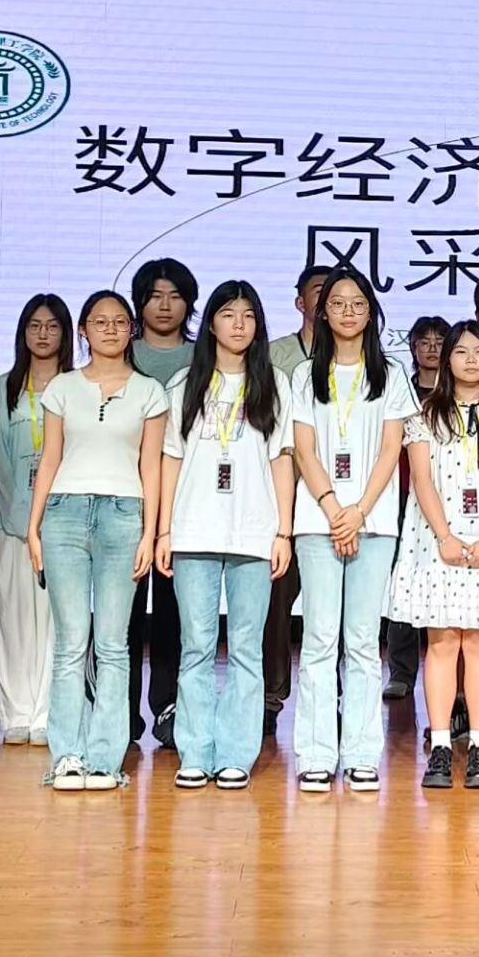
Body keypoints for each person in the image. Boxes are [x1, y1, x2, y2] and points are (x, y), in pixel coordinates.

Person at [27, 290, 168, 793]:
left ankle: (107, 759)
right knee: (71, 644)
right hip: (64, 513)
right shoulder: (63, 387)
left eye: (119, 321)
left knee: (112, 644)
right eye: (99, 321)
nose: (110, 329)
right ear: (83, 330)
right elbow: (50, 458)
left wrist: (150, 532)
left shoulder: (150, 391)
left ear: (132, 330)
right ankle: (66, 755)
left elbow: (151, 466)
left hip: (124, 515)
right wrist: (34, 526)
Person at [157, 280, 294, 790]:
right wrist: (164, 531)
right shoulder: (185, 385)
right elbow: (171, 459)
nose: (239, 324)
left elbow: (282, 459)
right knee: (195, 646)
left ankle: (237, 751)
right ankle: (195, 750)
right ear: (210, 322)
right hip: (193, 531)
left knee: (246, 648)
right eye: (228, 314)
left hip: (254, 532)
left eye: (249, 315)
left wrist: (283, 531)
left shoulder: (274, 383)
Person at [288, 268, 416, 793]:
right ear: (322, 312)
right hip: (317, 521)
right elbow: (304, 450)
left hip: (375, 522)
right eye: (337, 303)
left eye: (357, 303)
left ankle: (362, 753)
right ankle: (316, 754)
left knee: (363, 642)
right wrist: (333, 507)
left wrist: (358, 511)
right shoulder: (304, 376)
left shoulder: (392, 375)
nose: (347, 311)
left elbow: (391, 451)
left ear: (371, 312)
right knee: (319, 639)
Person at [390, 321, 479, 790]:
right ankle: (440, 745)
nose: (471, 360)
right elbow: (421, 480)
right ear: (447, 359)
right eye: (461, 351)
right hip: (436, 541)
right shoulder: (424, 415)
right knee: (442, 643)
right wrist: (445, 536)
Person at [0, 293, 73, 746]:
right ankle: (16, 713)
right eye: (34, 326)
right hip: (13, 522)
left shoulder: (77, 387)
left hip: (62, 523)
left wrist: (47, 516)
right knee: (12, 619)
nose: (43, 334)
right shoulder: (2, 388)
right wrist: (22, 517)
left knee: (58, 621)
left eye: (52, 326)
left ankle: (47, 713)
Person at [128, 258, 198, 748]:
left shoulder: (203, 359)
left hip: (185, 504)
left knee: (176, 615)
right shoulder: (121, 354)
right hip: (127, 501)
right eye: (155, 296)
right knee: (123, 617)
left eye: (175, 296)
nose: (165, 305)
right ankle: (120, 711)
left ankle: (170, 707)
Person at [261, 265, 327, 736]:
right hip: (280, 497)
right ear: (300, 301)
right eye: (318, 292)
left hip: (334, 503)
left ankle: (330, 700)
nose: (328, 303)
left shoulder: (357, 359)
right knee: (274, 605)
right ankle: (269, 697)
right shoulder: (274, 355)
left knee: (332, 611)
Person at [384, 314, 450, 699]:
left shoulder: (460, 393)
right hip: (402, 495)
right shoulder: (400, 391)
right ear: (412, 347)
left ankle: (452, 683)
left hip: (450, 499)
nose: (432, 348)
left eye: (439, 341)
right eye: (424, 341)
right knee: (403, 581)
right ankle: (401, 672)